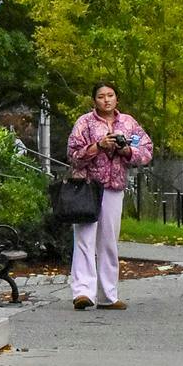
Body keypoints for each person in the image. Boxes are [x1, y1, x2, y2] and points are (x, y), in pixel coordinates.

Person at [65, 82, 153, 311]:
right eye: (101, 96)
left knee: (109, 241)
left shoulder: (128, 123)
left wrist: (127, 150)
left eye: (110, 95)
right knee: (84, 239)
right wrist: (98, 146)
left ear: (117, 98)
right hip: (87, 187)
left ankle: (108, 295)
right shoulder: (84, 123)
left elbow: (146, 151)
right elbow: (73, 155)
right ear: (94, 100)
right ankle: (83, 292)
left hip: (114, 187)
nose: (106, 100)